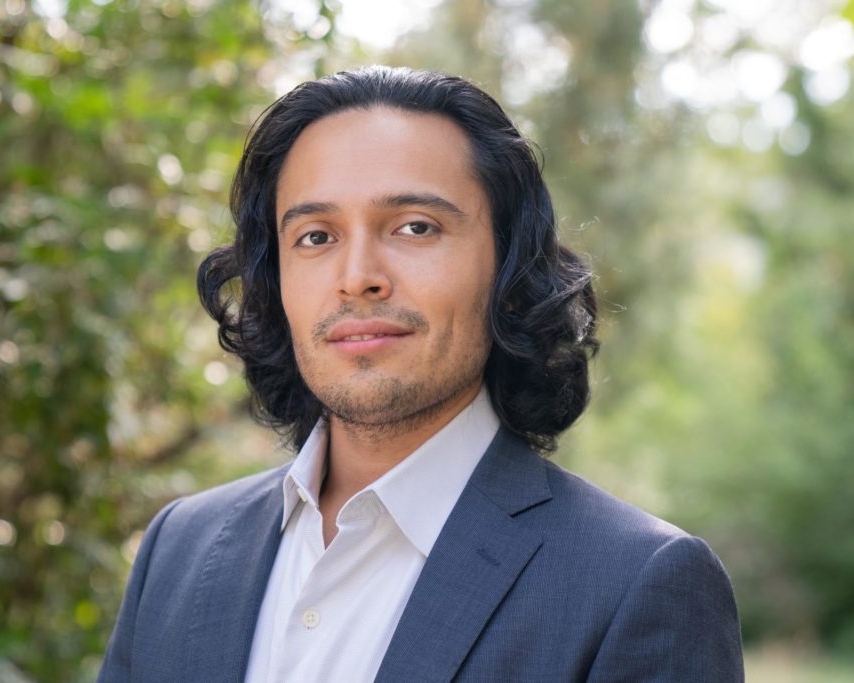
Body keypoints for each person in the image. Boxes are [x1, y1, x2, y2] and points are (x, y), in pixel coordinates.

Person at [98, 66, 743, 682]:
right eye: (316, 237)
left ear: (509, 274)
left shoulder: (637, 585)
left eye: (415, 226)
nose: (357, 277)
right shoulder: (177, 551)